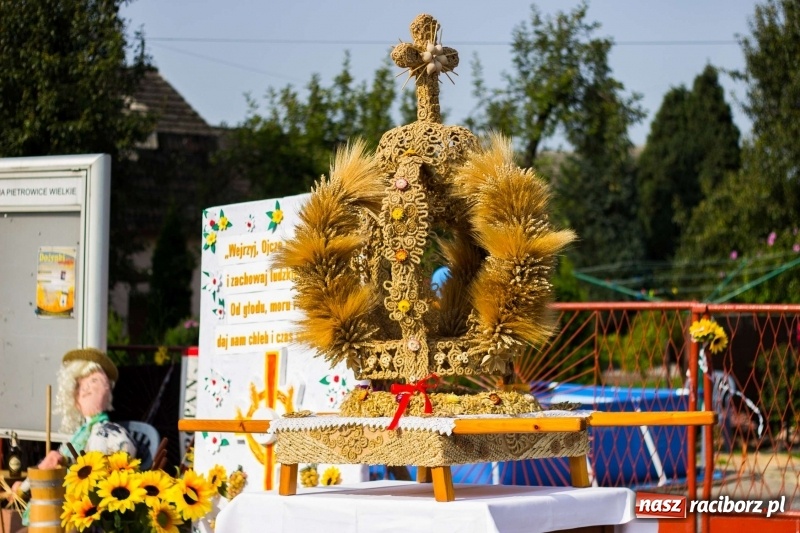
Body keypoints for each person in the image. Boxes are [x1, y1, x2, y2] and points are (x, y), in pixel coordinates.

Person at [8, 348, 136, 521]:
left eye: (94, 381)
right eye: (79, 386)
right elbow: (52, 466)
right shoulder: (79, 436)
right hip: (62, 508)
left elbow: (102, 467)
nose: (85, 390)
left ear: (107, 388)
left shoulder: (107, 433)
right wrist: (22, 489)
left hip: (86, 513)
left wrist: (66, 462)